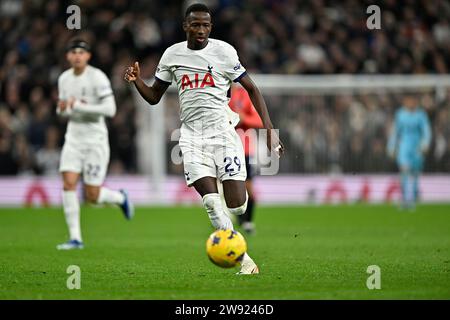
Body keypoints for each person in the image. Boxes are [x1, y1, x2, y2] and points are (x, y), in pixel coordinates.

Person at [124, 3, 284, 274]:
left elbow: (252, 89)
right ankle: (245, 260)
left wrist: (268, 129)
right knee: (211, 203)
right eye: (195, 25)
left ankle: (230, 206)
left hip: (223, 133)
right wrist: (137, 81)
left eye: (206, 25)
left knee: (239, 204)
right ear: (186, 26)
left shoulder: (224, 52)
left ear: (211, 27)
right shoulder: (172, 55)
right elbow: (154, 97)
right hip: (191, 137)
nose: (201, 30)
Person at [56, 38, 134, 250]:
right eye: (73, 52)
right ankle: (75, 238)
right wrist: (64, 108)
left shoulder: (97, 77)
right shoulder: (64, 78)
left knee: (92, 196)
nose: (77, 56)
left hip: (95, 141)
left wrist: (80, 106)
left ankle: (119, 198)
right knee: (68, 183)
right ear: (68, 56)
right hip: (73, 139)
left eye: (81, 52)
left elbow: (110, 110)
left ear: (88, 56)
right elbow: (61, 110)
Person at [228, 85, 263, 234]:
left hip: (245, 148)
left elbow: (258, 120)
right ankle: (229, 218)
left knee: (248, 186)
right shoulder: (219, 92)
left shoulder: (245, 95)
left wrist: (244, 118)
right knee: (225, 185)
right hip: (224, 146)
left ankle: (248, 221)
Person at [387, 95, 431, 210]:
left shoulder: (421, 115)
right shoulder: (400, 114)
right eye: (408, 101)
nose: (411, 103)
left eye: (413, 100)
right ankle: (405, 199)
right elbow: (395, 132)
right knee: (404, 171)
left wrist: (425, 143)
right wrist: (391, 146)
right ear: (405, 101)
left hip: (417, 147)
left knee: (415, 173)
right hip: (404, 146)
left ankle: (414, 196)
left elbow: (426, 130)